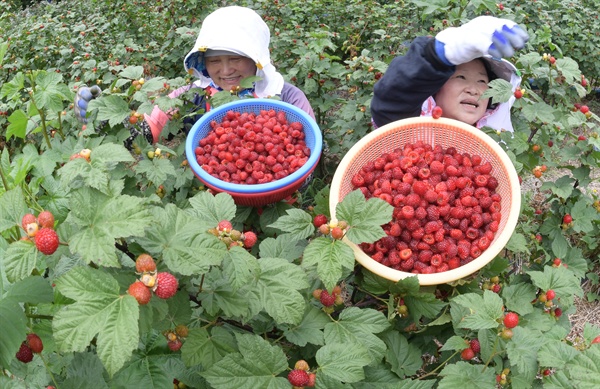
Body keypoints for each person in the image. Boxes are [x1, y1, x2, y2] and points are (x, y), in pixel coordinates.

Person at [74, 6, 315, 147]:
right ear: (201, 63)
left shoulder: (287, 98)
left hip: (278, 200)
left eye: (235, 58)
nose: (226, 70)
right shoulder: (192, 96)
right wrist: (100, 115)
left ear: (257, 58)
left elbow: (306, 152)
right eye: (214, 61)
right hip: (211, 202)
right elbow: (143, 135)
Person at [370, 16, 529, 133]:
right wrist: (434, 57)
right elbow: (392, 102)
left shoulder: (492, 139)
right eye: (461, 77)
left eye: (482, 81)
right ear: (436, 88)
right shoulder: (413, 125)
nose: (473, 90)